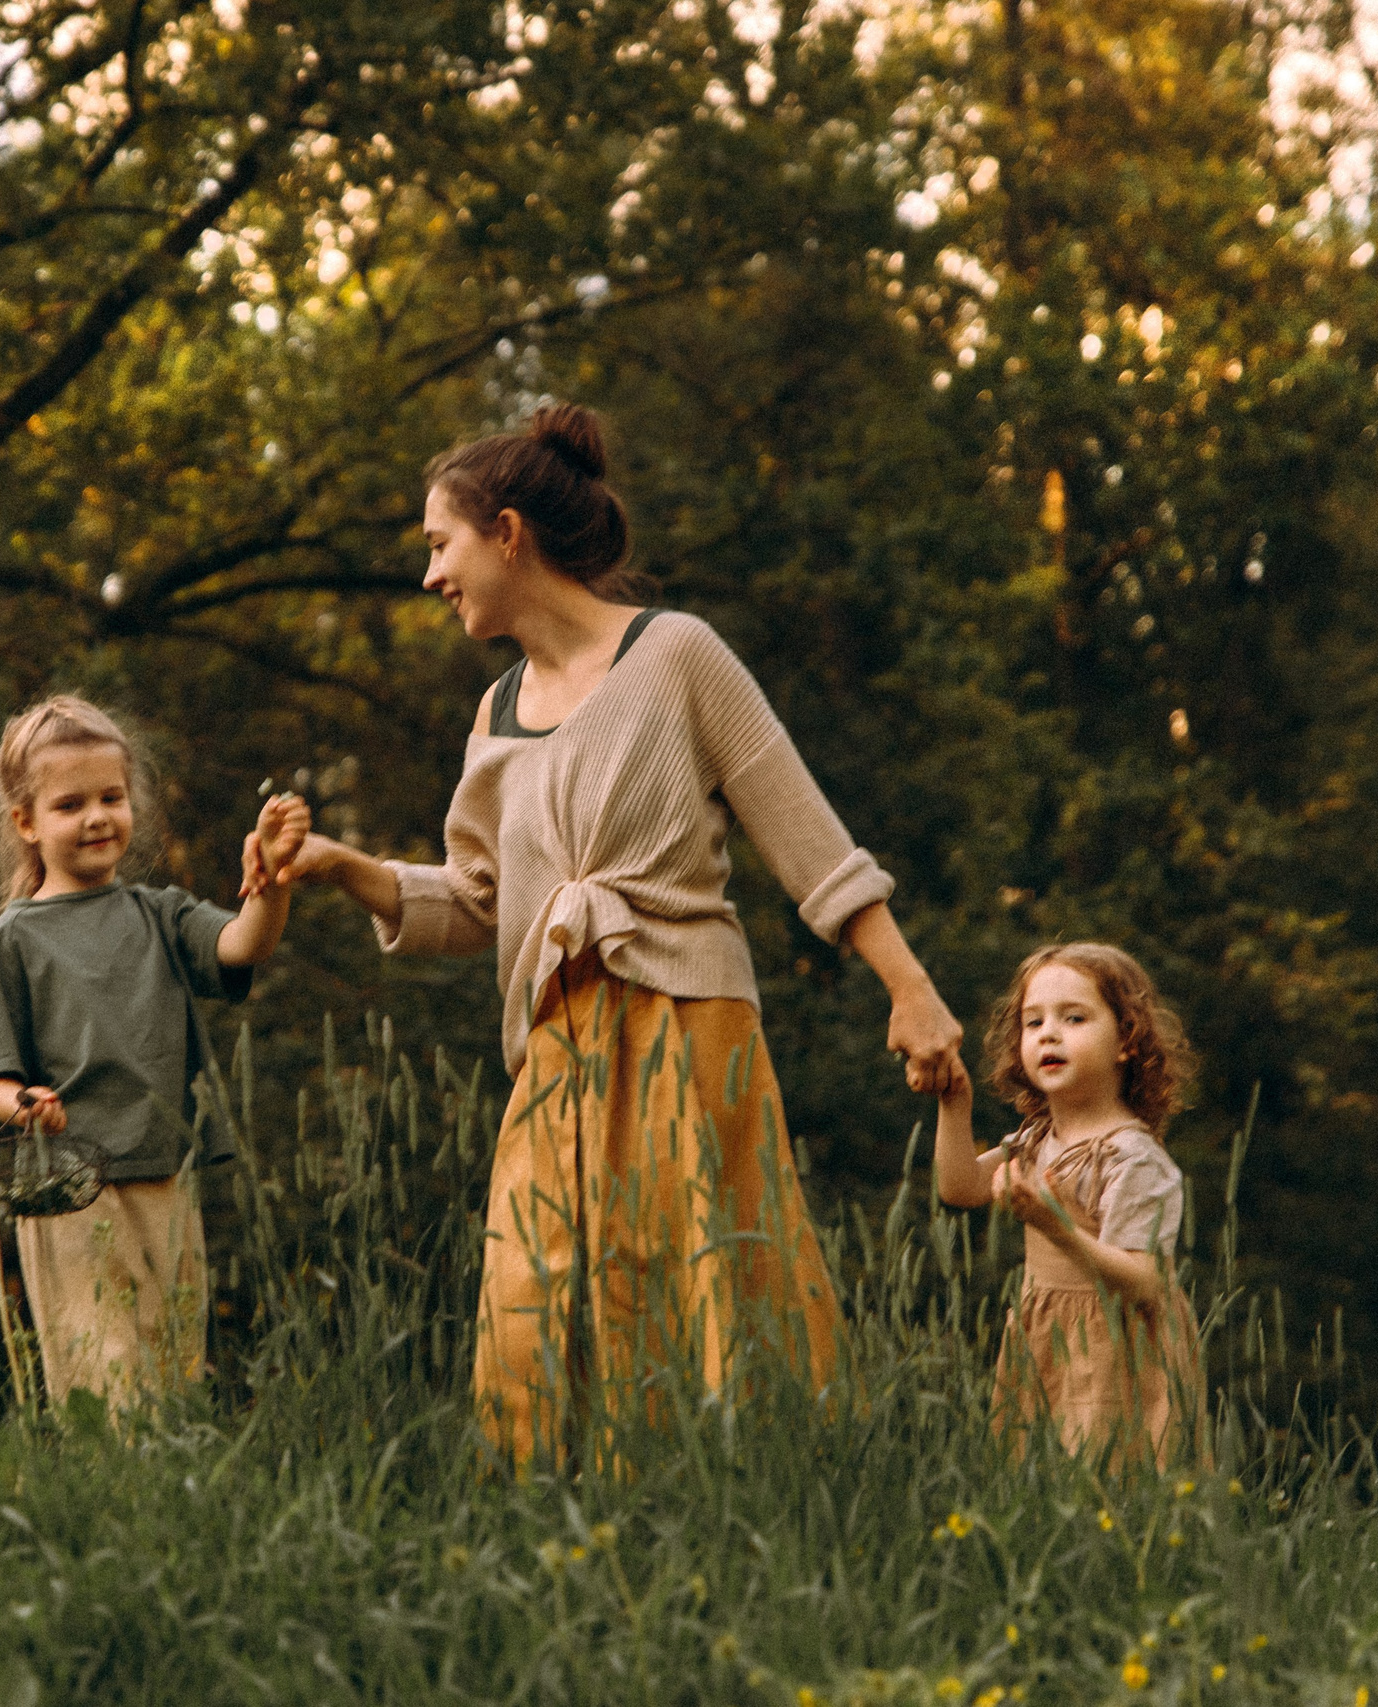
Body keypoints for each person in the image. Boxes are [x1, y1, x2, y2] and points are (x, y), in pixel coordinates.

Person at [265, 403, 964, 1467]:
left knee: (707, 1286)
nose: (428, 576)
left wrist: (909, 991)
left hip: (688, 1018)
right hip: (557, 1044)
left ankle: (747, 1505)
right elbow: (482, 905)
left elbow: (807, 840)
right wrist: (346, 870)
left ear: (507, 534)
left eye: (437, 545)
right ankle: (560, 1525)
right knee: (530, 1298)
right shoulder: (496, 714)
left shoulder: (674, 654)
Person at [0, 694, 309, 1408]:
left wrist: (271, 881)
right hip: (69, 1188)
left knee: (171, 1364)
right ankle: (105, 1499)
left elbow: (246, 941)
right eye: (70, 804)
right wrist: (24, 1104)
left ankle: (160, 1508)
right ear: (25, 822)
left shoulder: (162, 913)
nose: (96, 816)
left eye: (111, 797)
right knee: (103, 1370)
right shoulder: (16, 937)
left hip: (164, 1171)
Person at [934, 942, 1205, 1469]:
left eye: (1074, 1018)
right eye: (1033, 1023)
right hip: (1047, 1335)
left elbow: (1146, 1280)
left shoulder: (1132, 1156)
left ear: (1126, 1040)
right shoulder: (1037, 1137)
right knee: (1038, 1485)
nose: (1049, 1034)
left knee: (1109, 1484)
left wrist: (1057, 1228)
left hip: (1117, 1349)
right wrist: (954, 1104)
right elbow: (960, 1188)